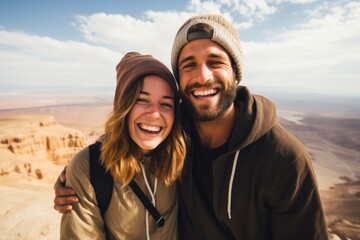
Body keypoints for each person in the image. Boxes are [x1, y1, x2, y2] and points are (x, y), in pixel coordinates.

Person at [54, 15, 329, 239]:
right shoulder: (175, 133)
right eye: (189, 65)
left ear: (236, 73)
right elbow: (139, 128)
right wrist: (83, 170)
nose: (202, 76)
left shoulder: (283, 159)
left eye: (215, 62)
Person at [59, 51, 187, 240]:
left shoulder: (185, 154)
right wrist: (75, 175)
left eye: (166, 104)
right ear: (123, 106)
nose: (154, 114)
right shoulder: (90, 167)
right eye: (141, 100)